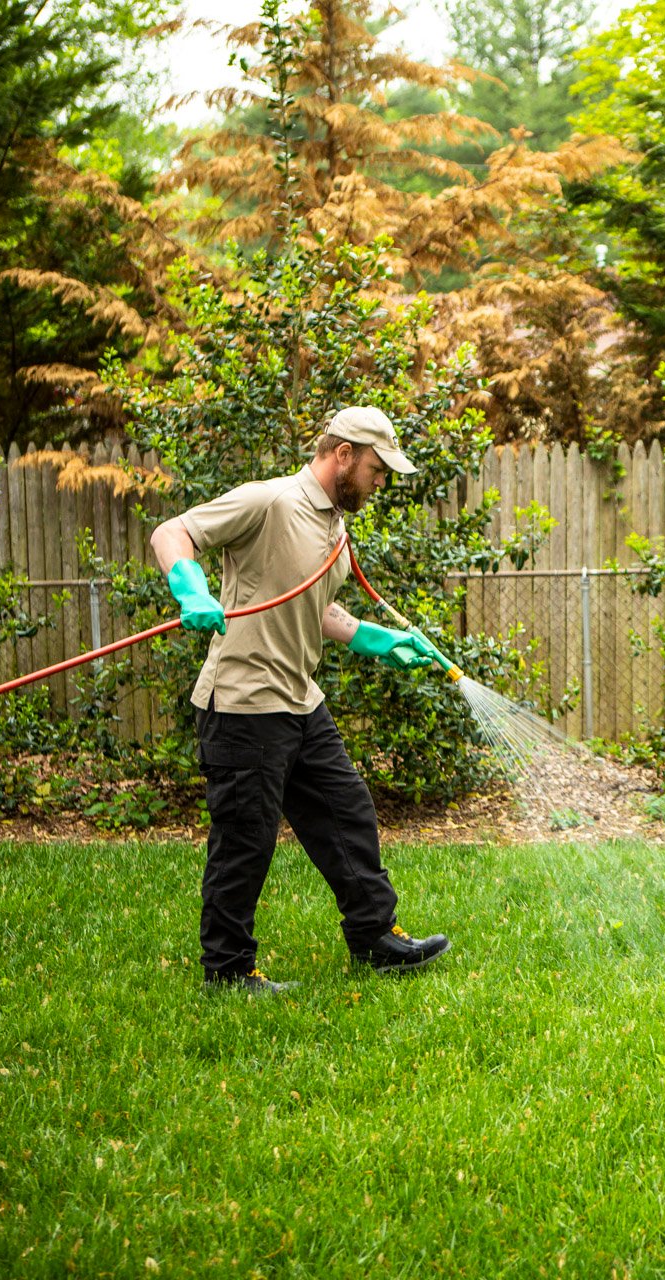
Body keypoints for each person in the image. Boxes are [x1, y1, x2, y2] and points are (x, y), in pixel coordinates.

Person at [148, 406, 450, 995]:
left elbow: (312, 604)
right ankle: (228, 970)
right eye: (376, 468)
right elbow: (172, 533)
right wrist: (191, 589)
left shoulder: (334, 524)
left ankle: (375, 936)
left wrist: (375, 639)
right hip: (244, 703)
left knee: (347, 810)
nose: (380, 482)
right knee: (246, 841)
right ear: (344, 455)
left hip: (298, 698)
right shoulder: (271, 501)